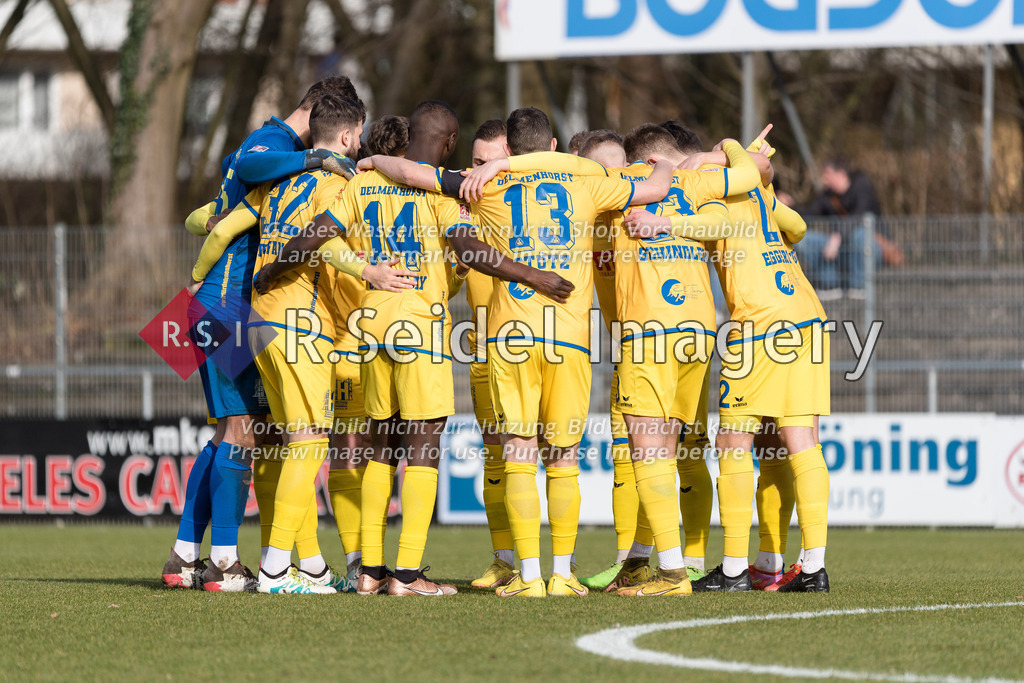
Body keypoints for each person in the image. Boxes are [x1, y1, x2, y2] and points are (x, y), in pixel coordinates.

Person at [257, 101, 574, 597]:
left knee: (379, 450)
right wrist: (534, 276)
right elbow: (470, 251)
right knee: (423, 451)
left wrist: (270, 272)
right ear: (450, 143)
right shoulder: (441, 192)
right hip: (420, 332)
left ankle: (369, 571)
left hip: (370, 330)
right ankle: (406, 576)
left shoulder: (363, 184)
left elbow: (314, 237)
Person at [161, 76, 363, 593]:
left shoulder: (276, 163)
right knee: (243, 434)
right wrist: (316, 159)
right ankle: (225, 562)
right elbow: (249, 168)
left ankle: (185, 555)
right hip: (228, 304)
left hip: (222, 304)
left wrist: (204, 240)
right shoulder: (273, 144)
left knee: (233, 433)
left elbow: (209, 217)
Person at [627, 139, 832, 593]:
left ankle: (735, 570)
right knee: (798, 441)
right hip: (807, 316)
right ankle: (809, 568)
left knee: (732, 441)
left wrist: (720, 152)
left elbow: (715, 216)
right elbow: (797, 226)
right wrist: (739, 162)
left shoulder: (704, 183)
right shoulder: (758, 192)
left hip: (759, 323)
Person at [797, 157, 901, 299]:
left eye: (827, 174)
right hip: (841, 250)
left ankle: (859, 286)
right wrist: (788, 206)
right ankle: (830, 284)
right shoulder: (828, 197)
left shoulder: (862, 188)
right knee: (804, 239)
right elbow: (807, 214)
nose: (824, 179)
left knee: (860, 234)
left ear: (841, 174)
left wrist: (838, 236)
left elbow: (859, 216)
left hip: (871, 250)